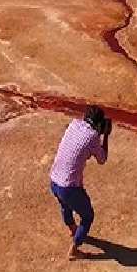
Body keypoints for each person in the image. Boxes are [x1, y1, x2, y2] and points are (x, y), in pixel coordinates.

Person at [49, 105, 112, 260]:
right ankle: (74, 249)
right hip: (69, 188)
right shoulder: (93, 137)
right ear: (98, 123)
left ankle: (72, 229)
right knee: (88, 216)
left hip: (54, 180)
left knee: (65, 206)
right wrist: (106, 136)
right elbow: (102, 159)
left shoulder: (74, 124)